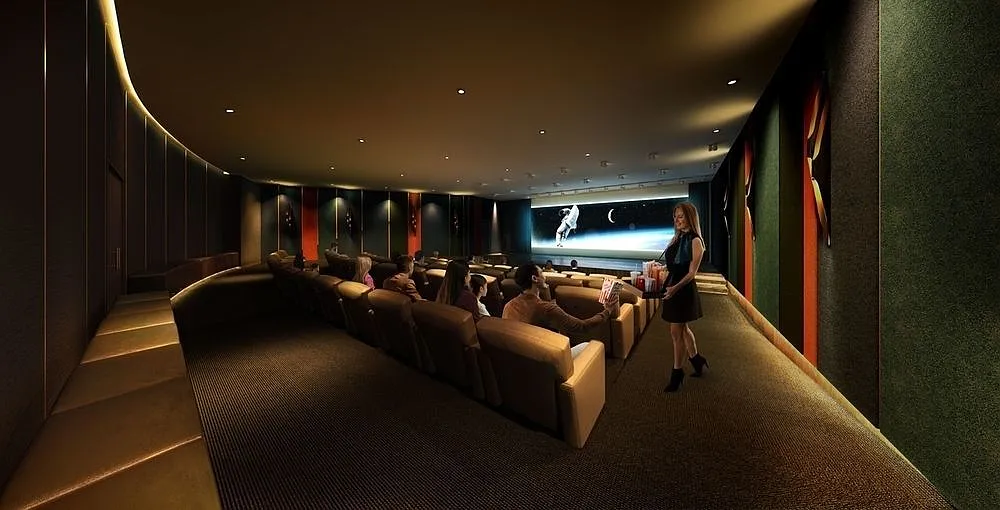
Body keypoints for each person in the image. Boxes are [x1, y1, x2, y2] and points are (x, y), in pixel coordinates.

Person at [503, 263, 619, 357]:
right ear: (534, 278)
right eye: (542, 273)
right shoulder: (546, 309)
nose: (545, 276)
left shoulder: (509, 306)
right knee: (591, 346)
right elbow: (582, 326)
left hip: (521, 363)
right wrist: (607, 311)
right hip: (546, 363)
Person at [661, 202, 708, 393]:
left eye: (680, 216)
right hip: (672, 287)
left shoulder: (696, 241)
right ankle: (697, 360)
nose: (677, 220)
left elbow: (691, 273)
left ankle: (677, 373)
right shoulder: (678, 237)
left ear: (690, 217)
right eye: (675, 216)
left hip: (683, 290)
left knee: (676, 332)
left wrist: (675, 288)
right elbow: (673, 264)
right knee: (683, 328)